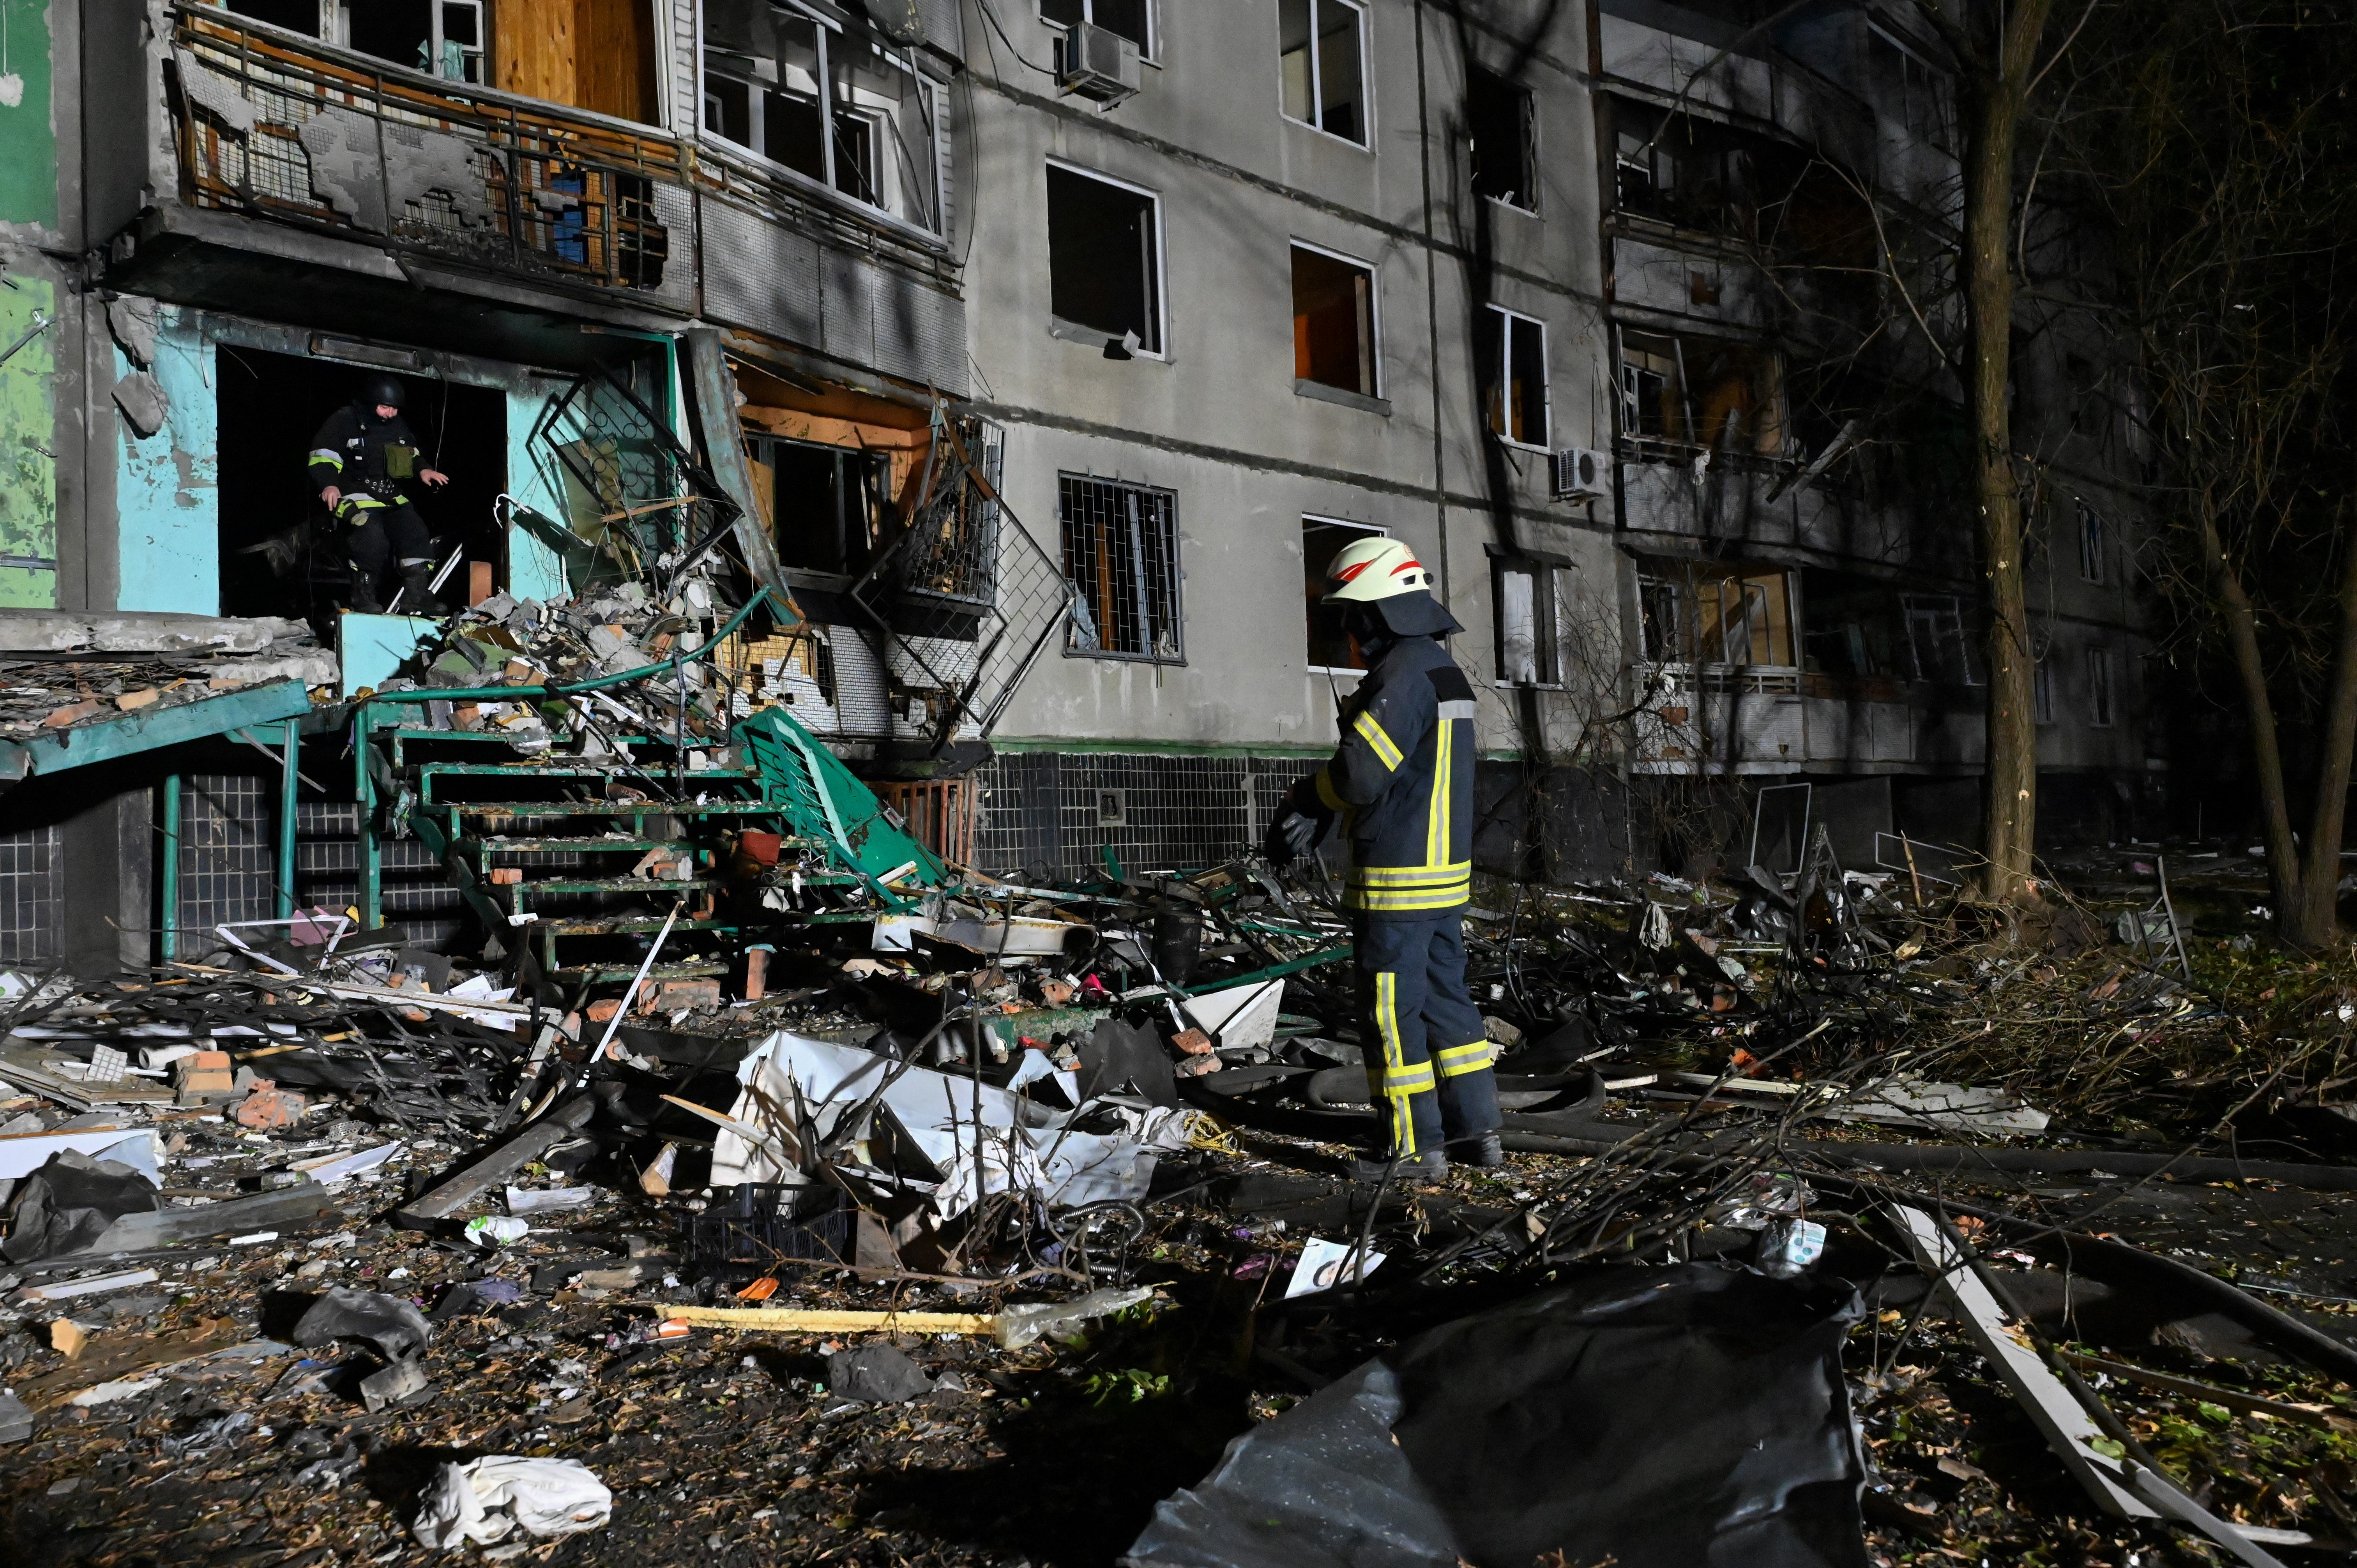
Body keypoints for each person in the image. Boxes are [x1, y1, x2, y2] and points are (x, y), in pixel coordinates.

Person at [1265, 536, 1502, 1182]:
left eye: (1352, 613)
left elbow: (1362, 772)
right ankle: (1476, 1134)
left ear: (1377, 609)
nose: (1348, 629)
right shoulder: (1438, 670)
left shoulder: (1401, 675)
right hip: (1441, 878)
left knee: (1391, 1015)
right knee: (1447, 1004)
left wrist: (1309, 800)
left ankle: (1409, 1150)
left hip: (1398, 879)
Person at [307, 374, 450, 614]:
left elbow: (411, 453)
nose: (390, 414)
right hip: (354, 494)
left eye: (394, 409)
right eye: (385, 407)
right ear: (368, 403)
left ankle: (416, 595)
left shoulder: (397, 424)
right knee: (370, 536)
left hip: (391, 496)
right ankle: (362, 596)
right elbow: (323, 457)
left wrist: (423, 469)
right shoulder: (344, 420)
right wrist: (329, 485)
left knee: (414, 531)